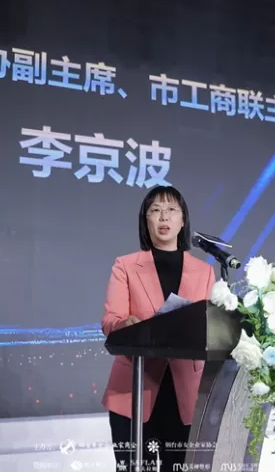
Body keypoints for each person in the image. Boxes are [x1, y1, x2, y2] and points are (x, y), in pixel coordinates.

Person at [101, 186, 216, 472]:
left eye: (171, 210)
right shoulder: (125, 266)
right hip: (135, 386)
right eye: (155, 210)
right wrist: (124, 324)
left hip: (185, 393)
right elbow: (110, 320)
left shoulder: (205, 271)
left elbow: (209, 327)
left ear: (183, 220)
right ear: (146, 221)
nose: (163, 216)